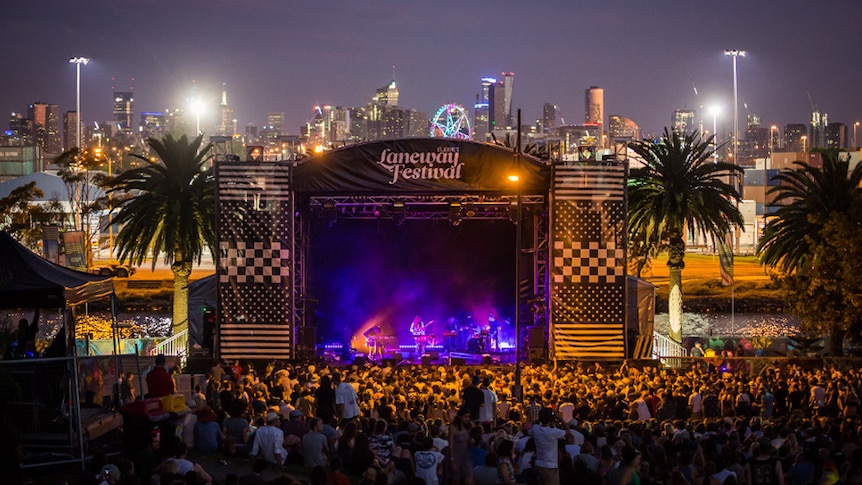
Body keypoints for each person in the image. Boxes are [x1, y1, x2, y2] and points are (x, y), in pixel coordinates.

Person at [528, 407, 572, 485]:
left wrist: (539, 419)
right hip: (550, 466)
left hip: (538, 464)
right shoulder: (553, 432)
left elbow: (529, 431)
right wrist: (560, 418)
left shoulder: (535, 429)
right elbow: (568, 432)